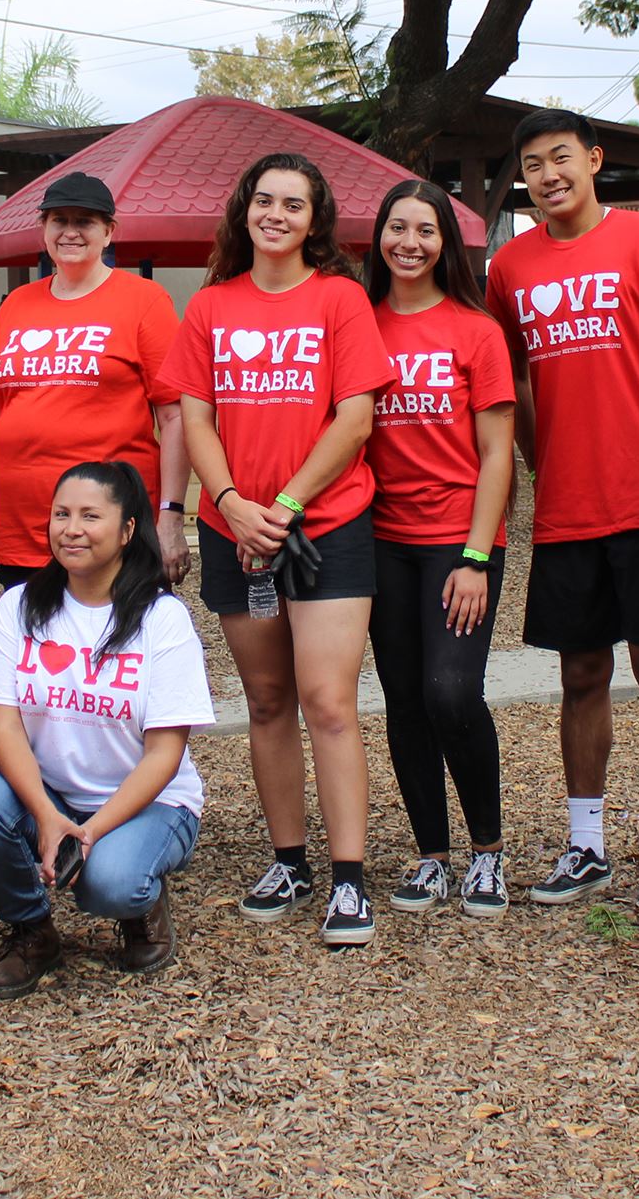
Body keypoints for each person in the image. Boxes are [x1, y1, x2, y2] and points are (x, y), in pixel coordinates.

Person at [160, 151, 391, 945]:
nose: (278, 215)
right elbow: (195, 420)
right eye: (266, 200)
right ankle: (288, 858)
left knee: (328, 701)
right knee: (265, 701)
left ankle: (349, 877)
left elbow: (354, 417)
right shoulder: (211, 306)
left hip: (325, 529)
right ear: (245, 209)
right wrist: (227, 503)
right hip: (236, 532)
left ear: (315, 220)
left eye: (295, 204)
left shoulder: (340, 299)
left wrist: (288, 504)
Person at [484, 108, 639, 914]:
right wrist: (544, 459)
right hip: (569, 505)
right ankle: (587, 845)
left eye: (562, 158)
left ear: (595, 160)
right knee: (580, 673)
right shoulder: (509, 266)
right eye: (533, 164)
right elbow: (513, 382)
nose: (548, 175)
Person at [0, 462, 216, 995]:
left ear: (127, 530)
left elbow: (164, 755)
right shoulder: (18, 607)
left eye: (91, 516)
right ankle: (33, 929)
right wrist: (48, 818)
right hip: (54, 794)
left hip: (151, 803)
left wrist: (90, 833)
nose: (71, 528)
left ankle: (141, 901)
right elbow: (5, 729)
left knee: (109, 884)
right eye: (61, 514)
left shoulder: (162, 619)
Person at [362, 181, 517, 919]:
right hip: (381, 543)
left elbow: (497, 454)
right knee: (404, 701)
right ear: (381, 237)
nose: (411, 242)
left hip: (458, 541)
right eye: (399, 227)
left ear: (445, 244)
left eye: (426, 230)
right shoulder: (359, 324)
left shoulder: (475, 329)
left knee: (450, 691)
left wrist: (477, 556)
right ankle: (432, 854)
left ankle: (487, 850)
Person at [0, 172, 190, 591]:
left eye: (86, 221)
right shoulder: (19, 305)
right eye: (59, 220)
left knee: (115, 652)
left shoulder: (144, 300)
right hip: (22, 529)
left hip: (112, 532)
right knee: (35, 652)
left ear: (109, 232)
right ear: (43, 228)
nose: (71, 231)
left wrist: (170, 514)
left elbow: (175, 417)